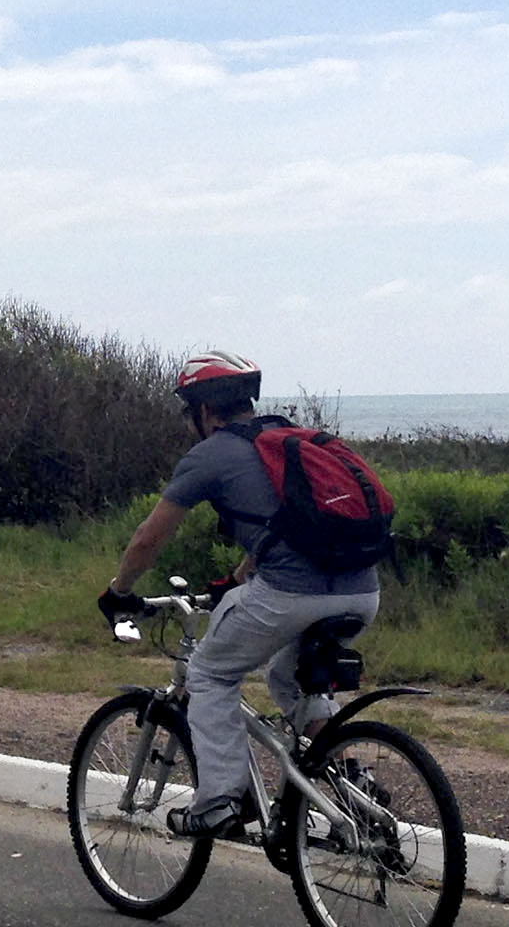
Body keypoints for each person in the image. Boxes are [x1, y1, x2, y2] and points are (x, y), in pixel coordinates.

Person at [101, 351, 381, 841]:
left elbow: (149, 537)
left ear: (204, 411)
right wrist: (235, 581)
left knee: (209, 674)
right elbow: (284, 527)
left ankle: (222, 801)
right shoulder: (288, 438)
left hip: (291, 595)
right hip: (363, 592)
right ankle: (353, 786)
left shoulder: (211, 453)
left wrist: (118, 592)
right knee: (287, 677)